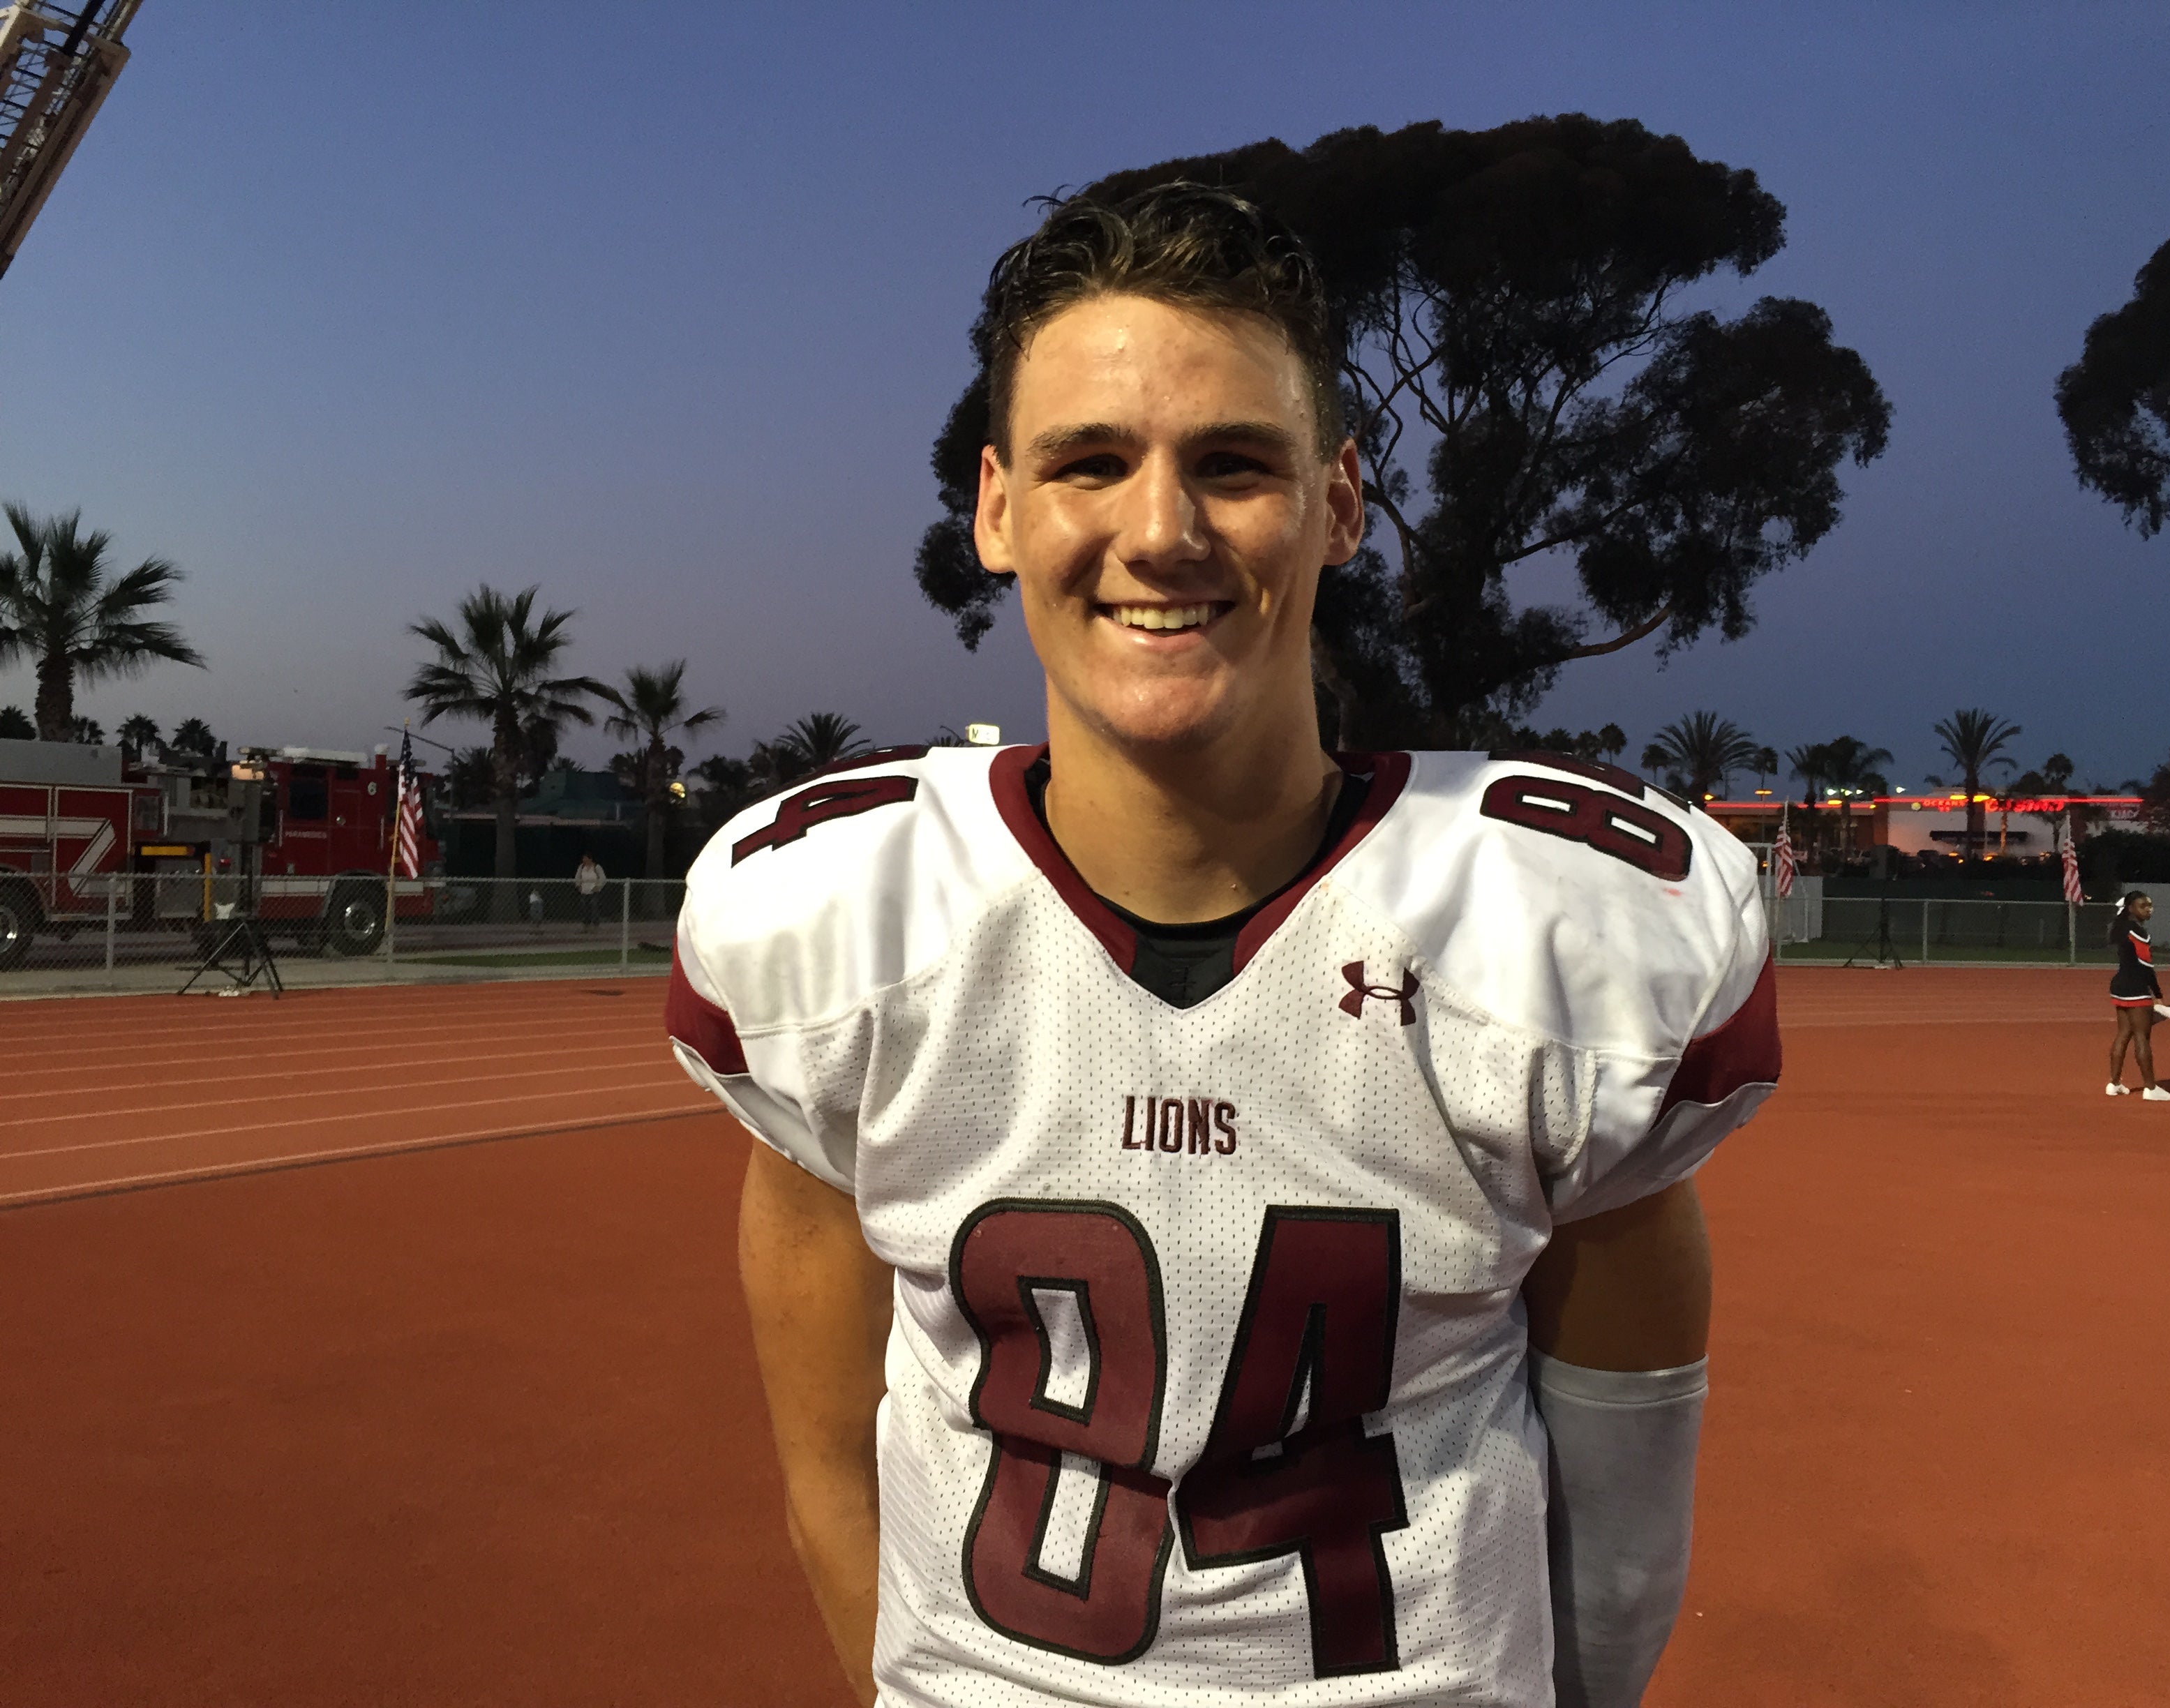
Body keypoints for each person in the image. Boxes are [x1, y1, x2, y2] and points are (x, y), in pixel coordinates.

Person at [668, 184, 1779, 1708]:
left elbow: (1627, 1525)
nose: (1162, 530)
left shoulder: (1550, 946)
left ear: (1339, 504)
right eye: (1091, 463)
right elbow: (825, 1469)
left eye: (1235, 465)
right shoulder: (846, 931)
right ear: (999, 509)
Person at [2105, 892, 2170, 1098]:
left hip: (2120, 985)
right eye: (2143, 906)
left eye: (2150, 905)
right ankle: (2151, 1088)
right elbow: (2146, 966)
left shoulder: (2120, 928)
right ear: (2131, 908)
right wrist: (2157, 993)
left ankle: (2114, 1083)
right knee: (2142, 1037)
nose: (2149, 909)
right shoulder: (2138, 932)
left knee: (2123, 1034)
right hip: (2136, 987)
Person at [576, 851, 606, 929]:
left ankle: (596, 925)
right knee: (584, 907)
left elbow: (603, 878)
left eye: (585, 858)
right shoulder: (581, 867)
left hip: (594, 891)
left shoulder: (597, 867)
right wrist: (578, 886)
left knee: (594, 906)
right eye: (583, 858)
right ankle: (586, 925)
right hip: (584, 891)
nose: (584, 860)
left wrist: (598, 887)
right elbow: (577, 877)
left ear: (590, 859)